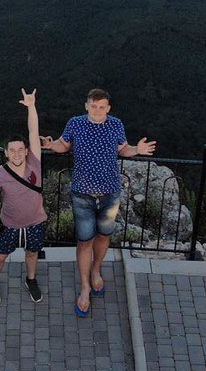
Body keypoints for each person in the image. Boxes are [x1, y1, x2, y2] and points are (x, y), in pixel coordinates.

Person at [41, 87, 156, 317]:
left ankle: (96, 271)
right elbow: (64, 145)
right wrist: (51, 145)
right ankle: (85, 287)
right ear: (86, 106)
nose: (97, 110)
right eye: (93, 106)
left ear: (108, 108)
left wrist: (138, 149)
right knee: (84, 241)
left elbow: (123, 149)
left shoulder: (116, 124)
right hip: (82, 194)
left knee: (104, 236)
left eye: (101, 106)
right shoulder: (75, 123)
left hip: (110, 194)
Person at [0, 88, 47, 306]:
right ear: (6, 152)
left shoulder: (35, 161)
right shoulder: (0, 173)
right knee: (0, 256)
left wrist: (31, 106)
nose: (17, 153)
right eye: (12, 150)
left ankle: (31, 279)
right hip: (9, 225)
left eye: (20, 149)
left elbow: (33, 131)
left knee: (32, 253)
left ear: (26, 150)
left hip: (36, 222)